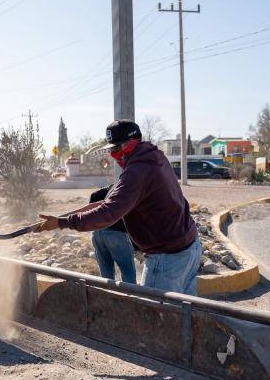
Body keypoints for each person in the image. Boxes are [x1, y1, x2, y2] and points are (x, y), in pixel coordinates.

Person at [36, 119, 201, 295]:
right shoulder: (155, 157)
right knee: (185, 314)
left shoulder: (136, 171)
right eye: (112, 150)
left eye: (118, 148)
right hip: (189, 247)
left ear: (133, 142)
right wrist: (61, 219)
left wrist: (62, 223)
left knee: (152, 316)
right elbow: (110, 204)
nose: (115, 155)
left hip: (167, 258)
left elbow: (109, 212)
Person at [89, 185, 137, 283]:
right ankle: (130, 296)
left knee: (105, 272)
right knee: (127, 270)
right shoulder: (126, 190)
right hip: (116, 233)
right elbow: (133, 221)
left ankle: (107, 295)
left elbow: (90, 210)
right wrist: (137, 247)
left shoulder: (99, 193)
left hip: (96, 233)